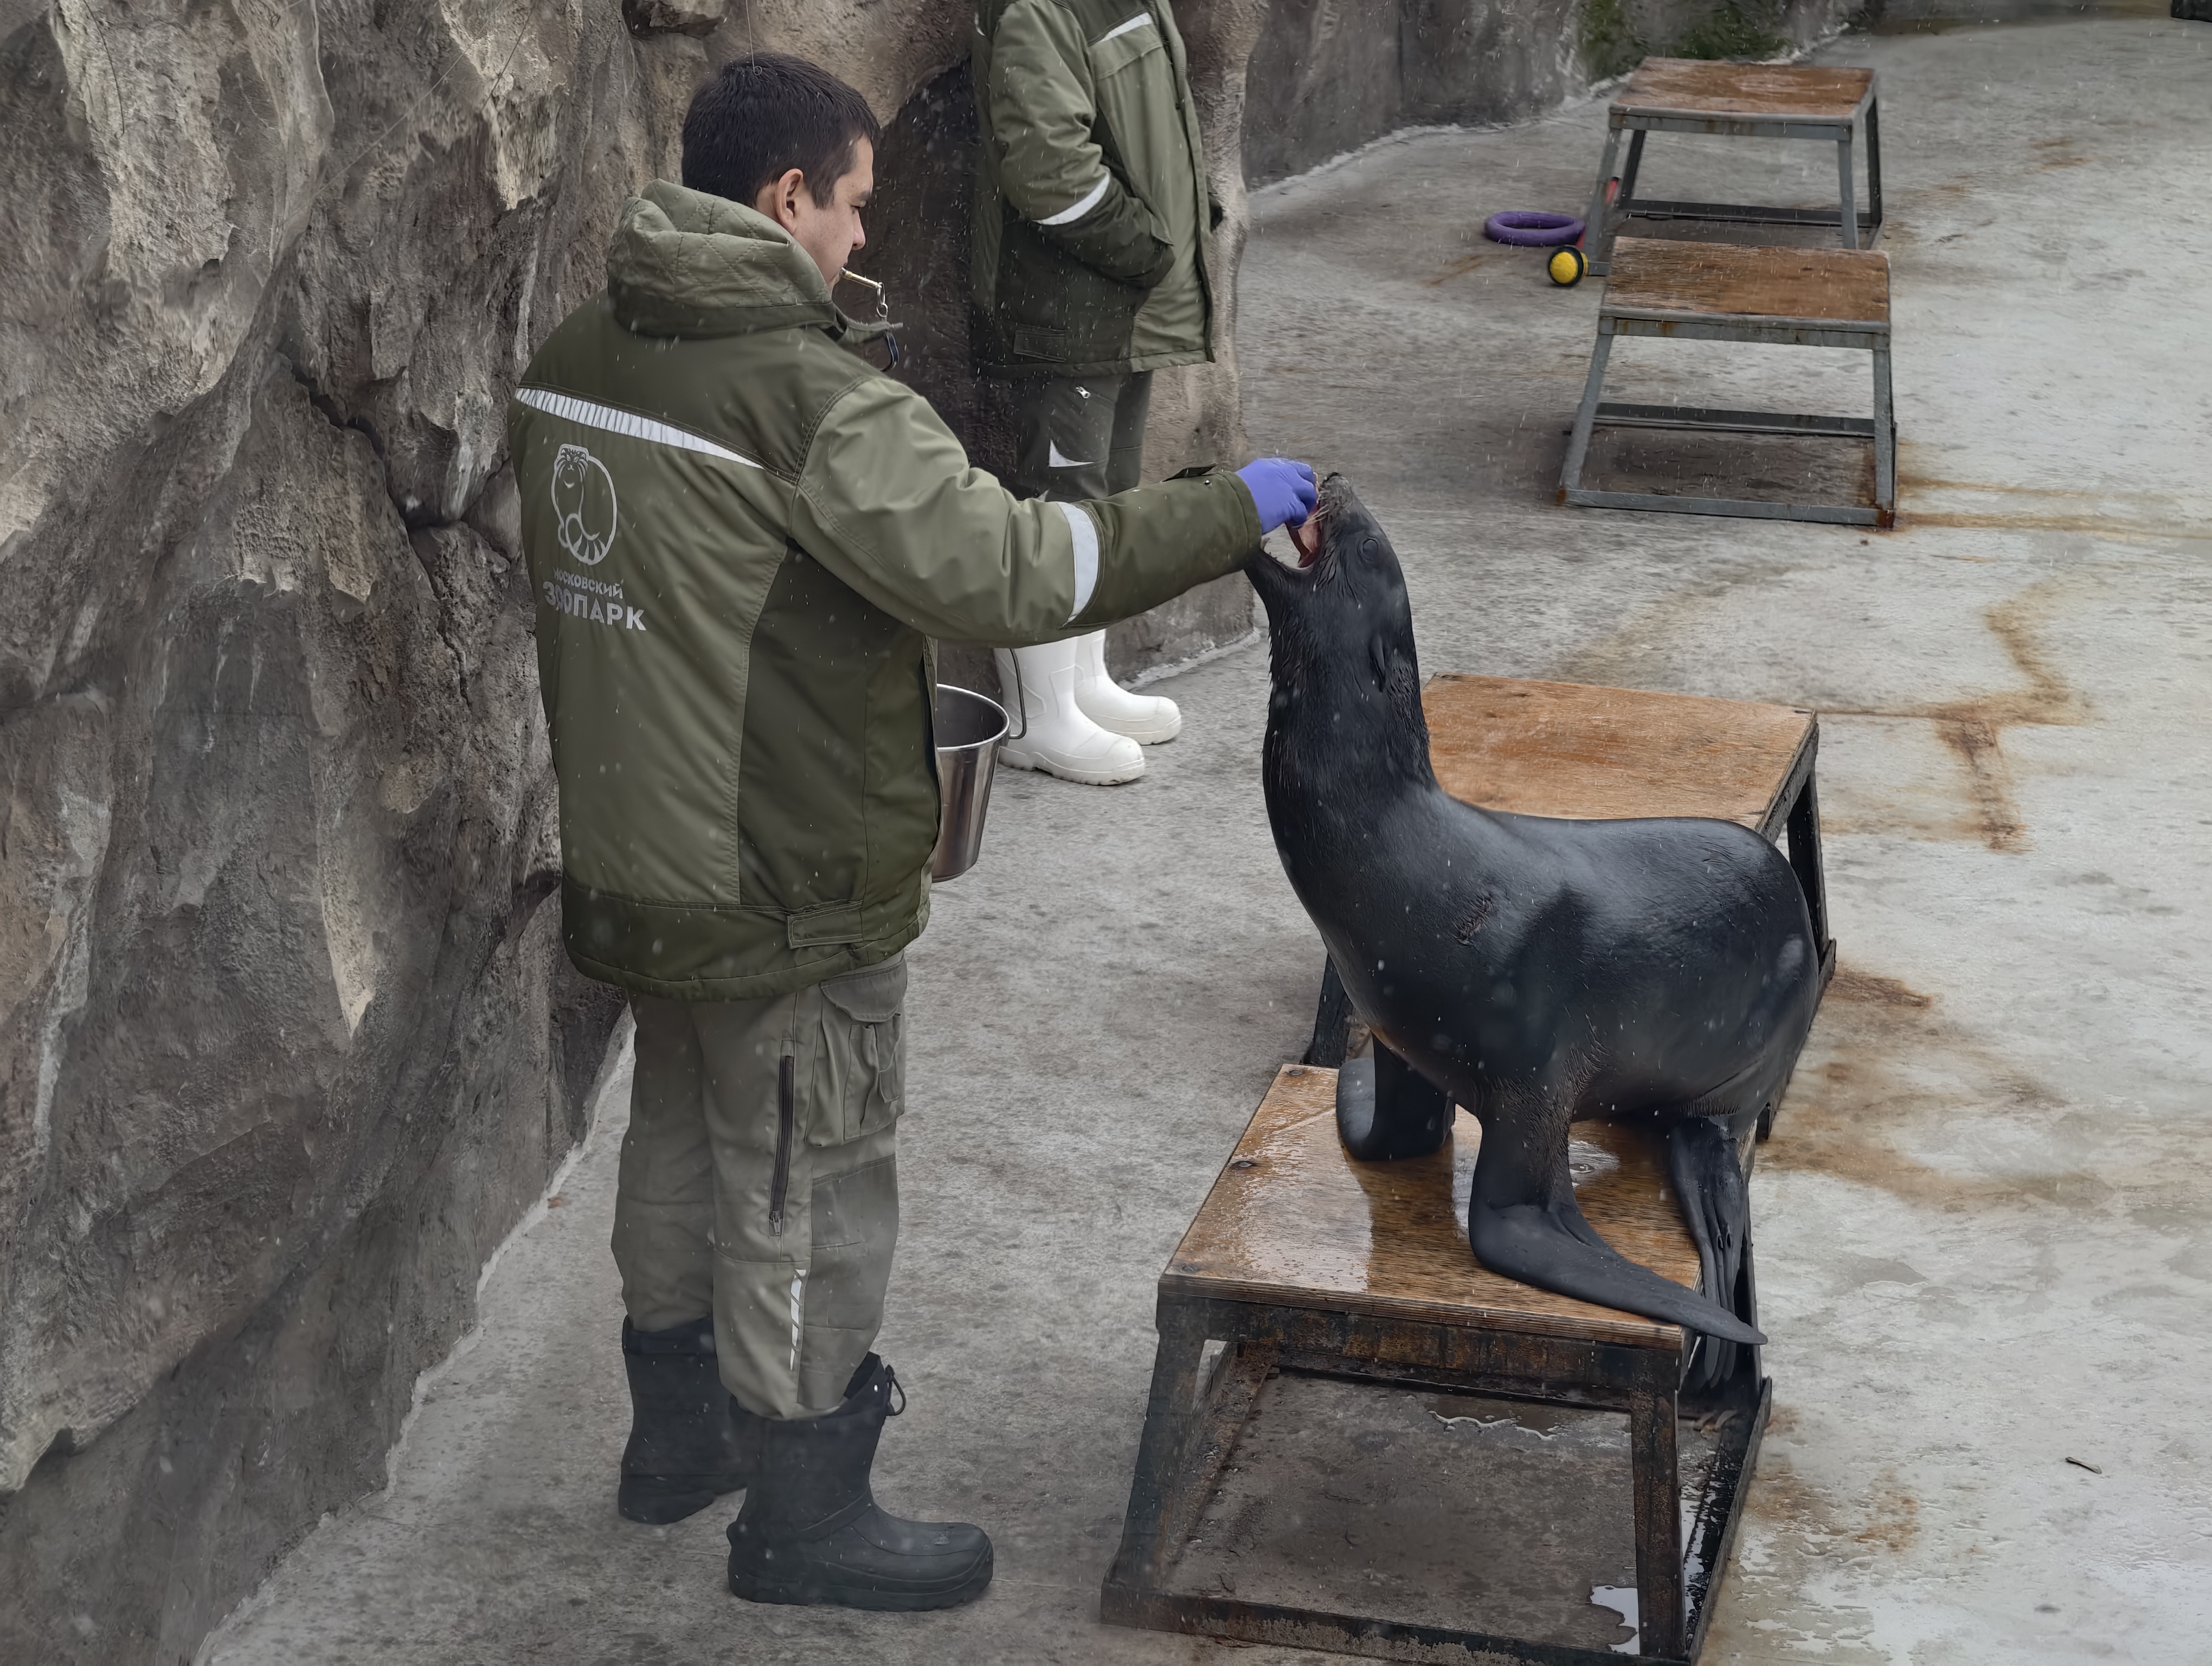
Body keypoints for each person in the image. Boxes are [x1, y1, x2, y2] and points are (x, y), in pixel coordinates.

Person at [505, 54, 1315, 1613]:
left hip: (638, 855)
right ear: (784, 198)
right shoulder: (813, 407)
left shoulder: (576, 357)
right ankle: (802, 1508)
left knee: (678, 1133)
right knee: (808, 1173)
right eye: (855, 205)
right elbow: (1009, 570)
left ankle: (676, 1440)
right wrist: (1227, 509)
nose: (864, 239)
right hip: (784, 875)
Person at [972, 0, 1219, 785]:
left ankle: (1082, 681)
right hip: (1066, 305)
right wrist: (1146, 246)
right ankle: (1038, 718)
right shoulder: (1042, 9)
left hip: (1123, 305)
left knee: (1106, 497)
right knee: (1058, 508)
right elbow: (1047, 164)